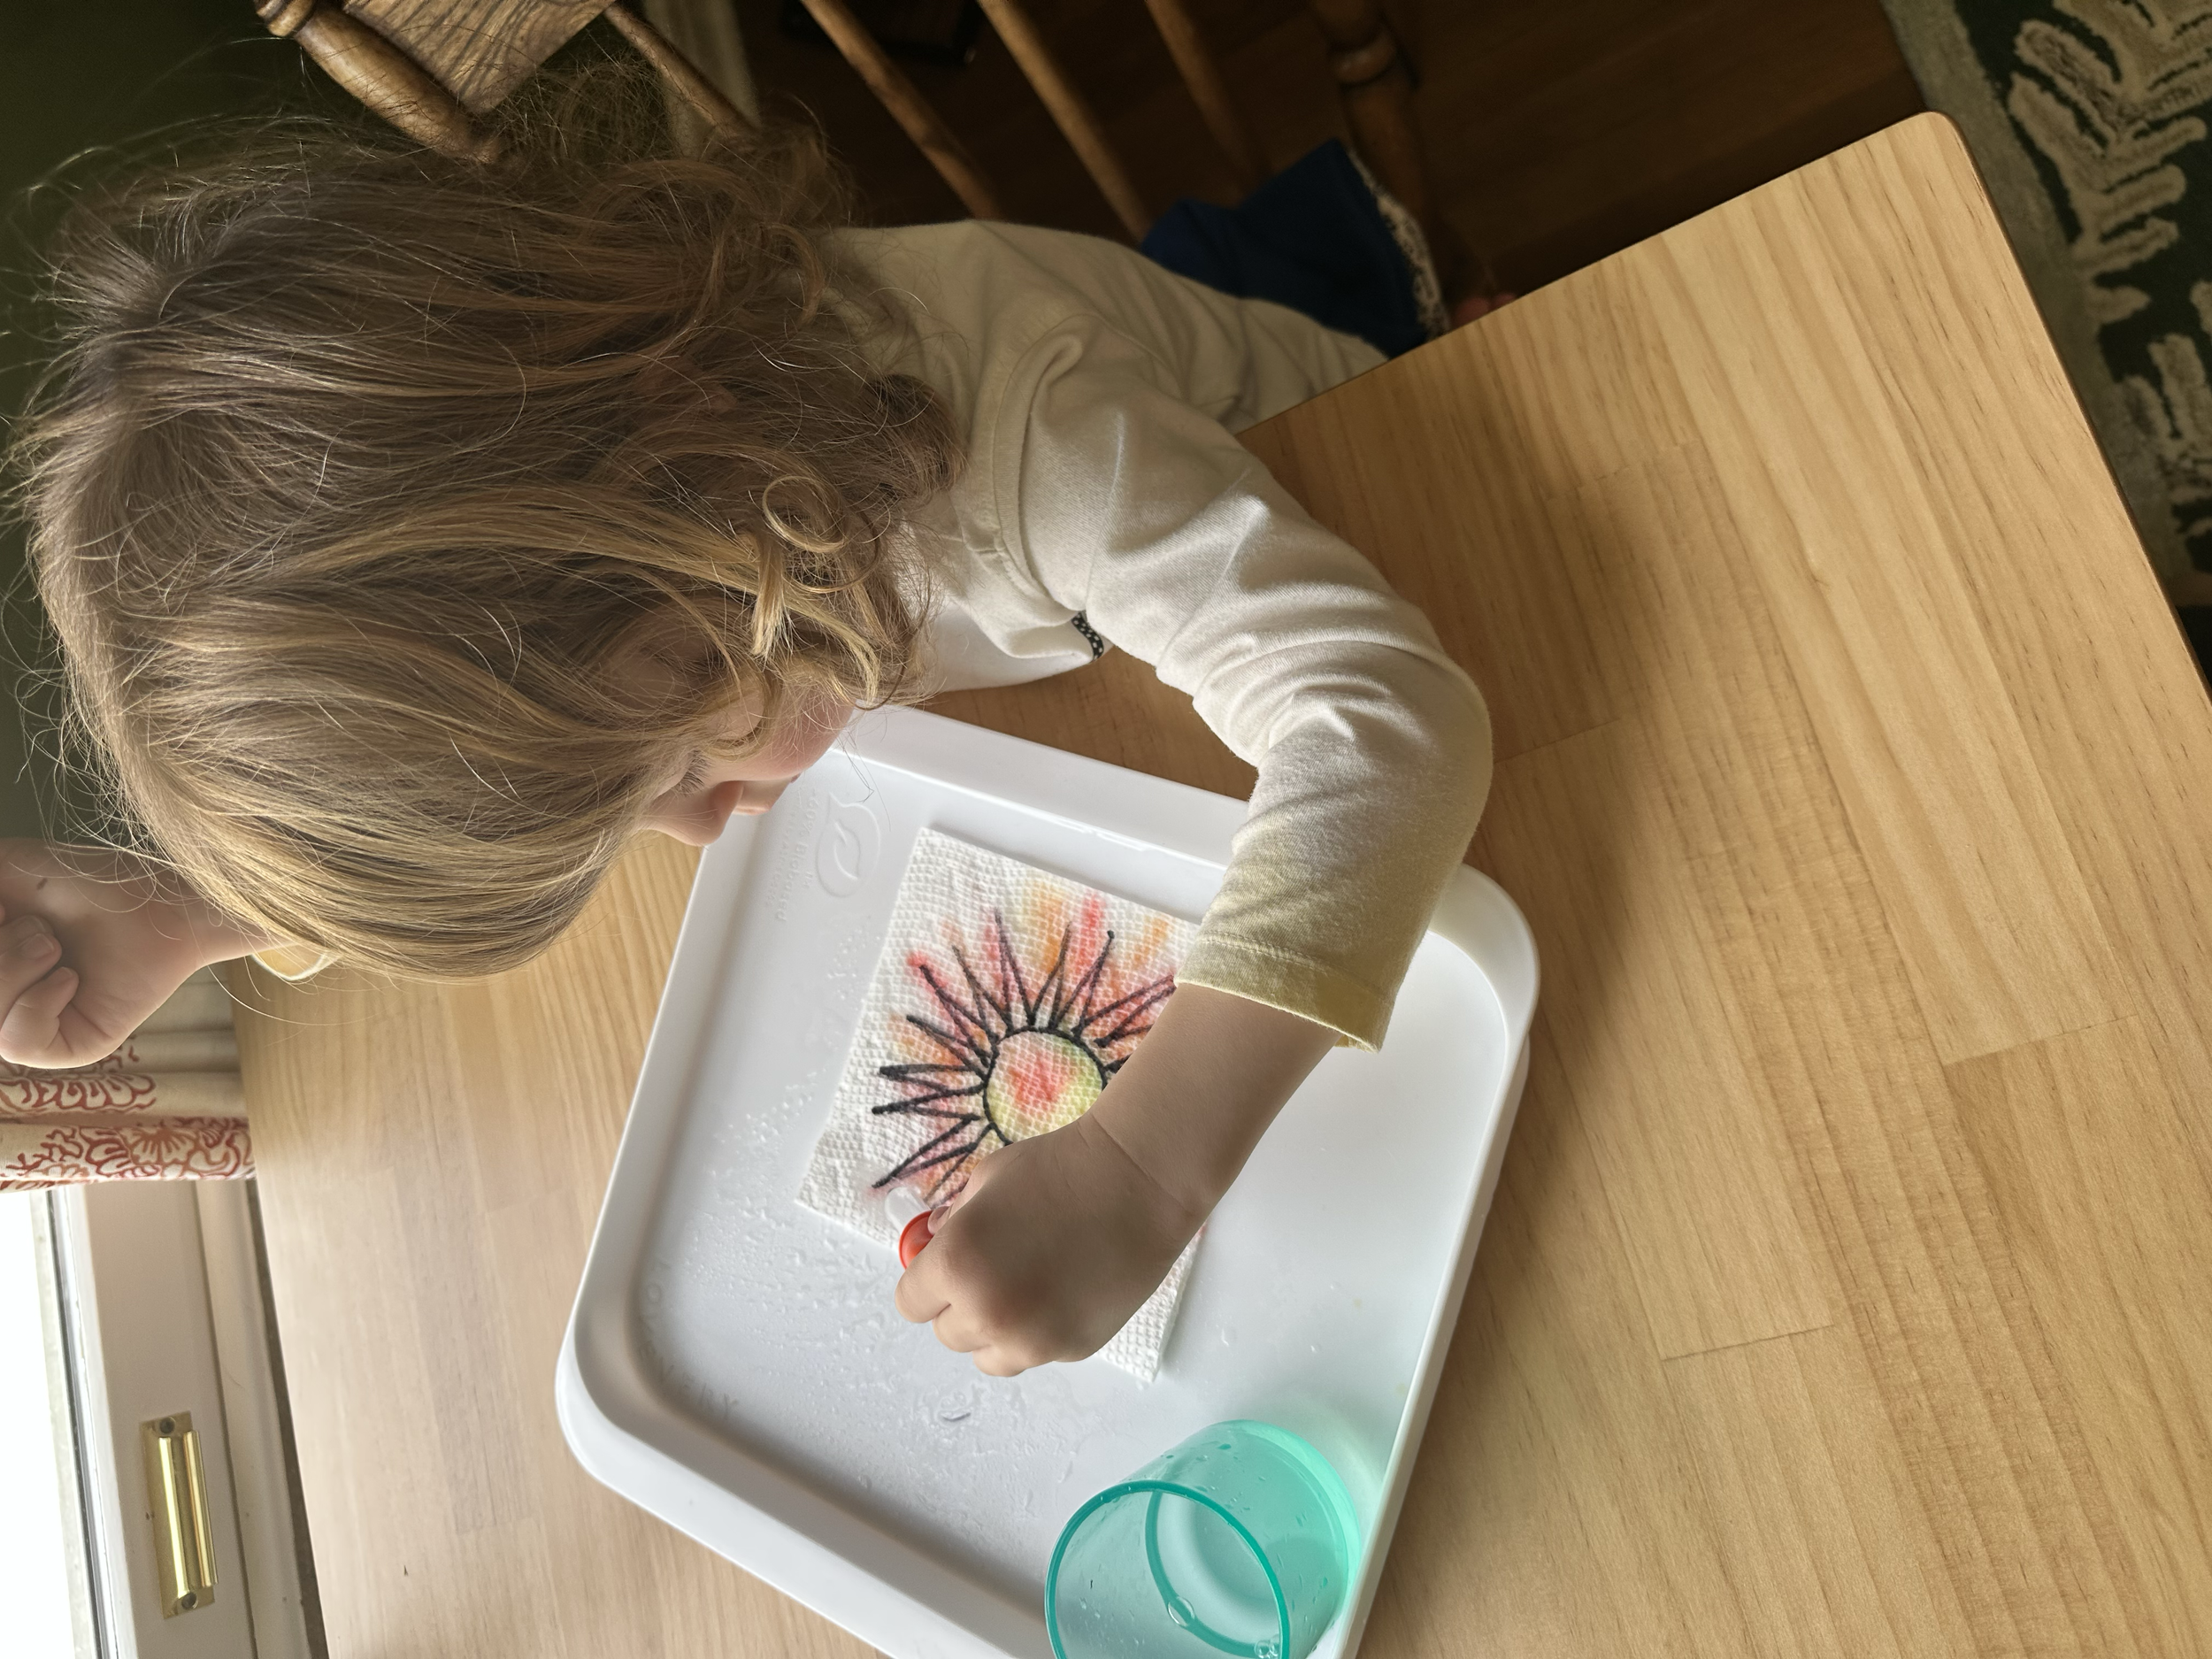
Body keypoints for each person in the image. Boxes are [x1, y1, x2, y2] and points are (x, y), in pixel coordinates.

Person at [0, 83, 1489, 1378]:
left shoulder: (1045, 444)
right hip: (1099, 660)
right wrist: (179, 920)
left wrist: (1144, 1161)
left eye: (681, 766)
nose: (711, 826)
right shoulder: (691, 445)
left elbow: (1387, 721)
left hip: (1375, 428)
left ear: (690, 505)